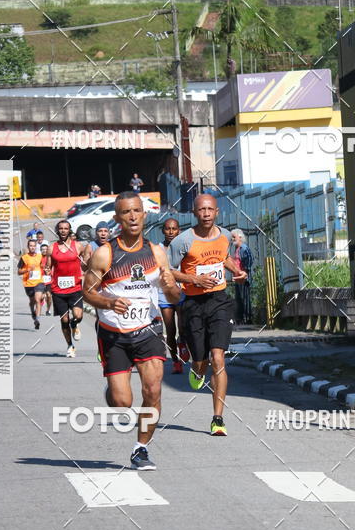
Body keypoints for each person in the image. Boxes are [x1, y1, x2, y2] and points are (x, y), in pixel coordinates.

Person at [83, 192, 180, 470]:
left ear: (145, 214)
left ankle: (141, 449)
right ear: (117, 218)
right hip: (114, 334)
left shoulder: (156, 252)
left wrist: (170, 285)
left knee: (152, 390)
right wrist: (109, 301)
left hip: (148, 329)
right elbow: (87, 292)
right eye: (126, 212)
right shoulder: (105, 254)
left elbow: (173, 297)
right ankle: (113, 393)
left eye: (137, 211)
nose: (133, 216)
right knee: (122, 402)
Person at [168, 194, 246, 437]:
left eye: (210, 209)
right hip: (193, 304)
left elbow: (223, 258)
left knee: (218, 357)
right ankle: (197, 369)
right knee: (200, 361)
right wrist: (194, 279)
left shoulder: (224, 235)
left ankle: (217, 419)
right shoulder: (182, 241)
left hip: (220, 301)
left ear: (217, 212)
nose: (206, 213)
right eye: (201, 209)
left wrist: (237, 271)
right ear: (194, 212)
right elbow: (168, 270)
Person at [45, 219, 86, 357]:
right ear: (57, 230)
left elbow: (85, 264)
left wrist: (85, 271)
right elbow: (48, 267)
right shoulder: (52, 248)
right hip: (58, 289)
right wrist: (46, 275)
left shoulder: (78, 246)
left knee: (78, 316)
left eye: (66, 228)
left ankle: (75, 325)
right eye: (61, 228)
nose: (63, 230)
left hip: (75, 287)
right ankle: (70, 346)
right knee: (64, 320)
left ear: (70, 230)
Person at [158, 218, 188, 374]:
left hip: (182, 291)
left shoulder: (184, 247)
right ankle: (176, 362)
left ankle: (183, 346)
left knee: (183, 328)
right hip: (164, 294)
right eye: (168, 229)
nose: (170, 232)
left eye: (174, 229)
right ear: (163, 230)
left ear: (179, 231)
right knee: (170, 330)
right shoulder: (157, 249)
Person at [17, 238, 45, 330]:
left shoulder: (40, 256)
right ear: (28, 247)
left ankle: (37, 319)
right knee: (32, 301)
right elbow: (19, 272)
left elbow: (43, 266)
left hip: (39, 282)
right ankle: (32, 311)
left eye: (34, 246)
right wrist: (27, 270)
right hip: (28, 284)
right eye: (30, 246)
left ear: (36, 246)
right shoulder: (24, 258)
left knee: (38, 299)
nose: (32, 247)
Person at [230, 229, 253, 325]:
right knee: (239, 298)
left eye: (234, 237)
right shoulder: (237, 249)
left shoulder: (244, 248)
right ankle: (241, 318)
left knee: (244, 298)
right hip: (238, 277)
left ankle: (247, 318)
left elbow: (249, 259)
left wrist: (245, 272)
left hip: (243, 277)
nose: (232, 239)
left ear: (240, 237)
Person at [40, 243, 52, 315]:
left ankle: (48, 310)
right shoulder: (38, 258)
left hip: (49, 279)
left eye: (46, 249)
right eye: (43, 249)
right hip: (40, 279)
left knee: (49, 295)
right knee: (42, 296)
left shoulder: (50, 258)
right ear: (40, 250)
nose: (44, 251)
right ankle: (39, 306)